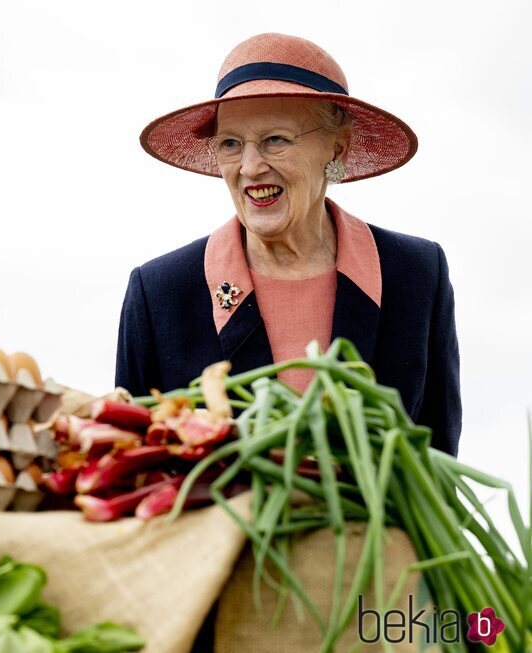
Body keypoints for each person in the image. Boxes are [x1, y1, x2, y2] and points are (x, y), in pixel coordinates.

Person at [115, 33, 460, 455]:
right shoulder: (160, 292)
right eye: (230, 144)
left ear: (338, 145)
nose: (250, 167)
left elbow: (438, 462)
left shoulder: (416, 273)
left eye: (276, 139)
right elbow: (128, 462)